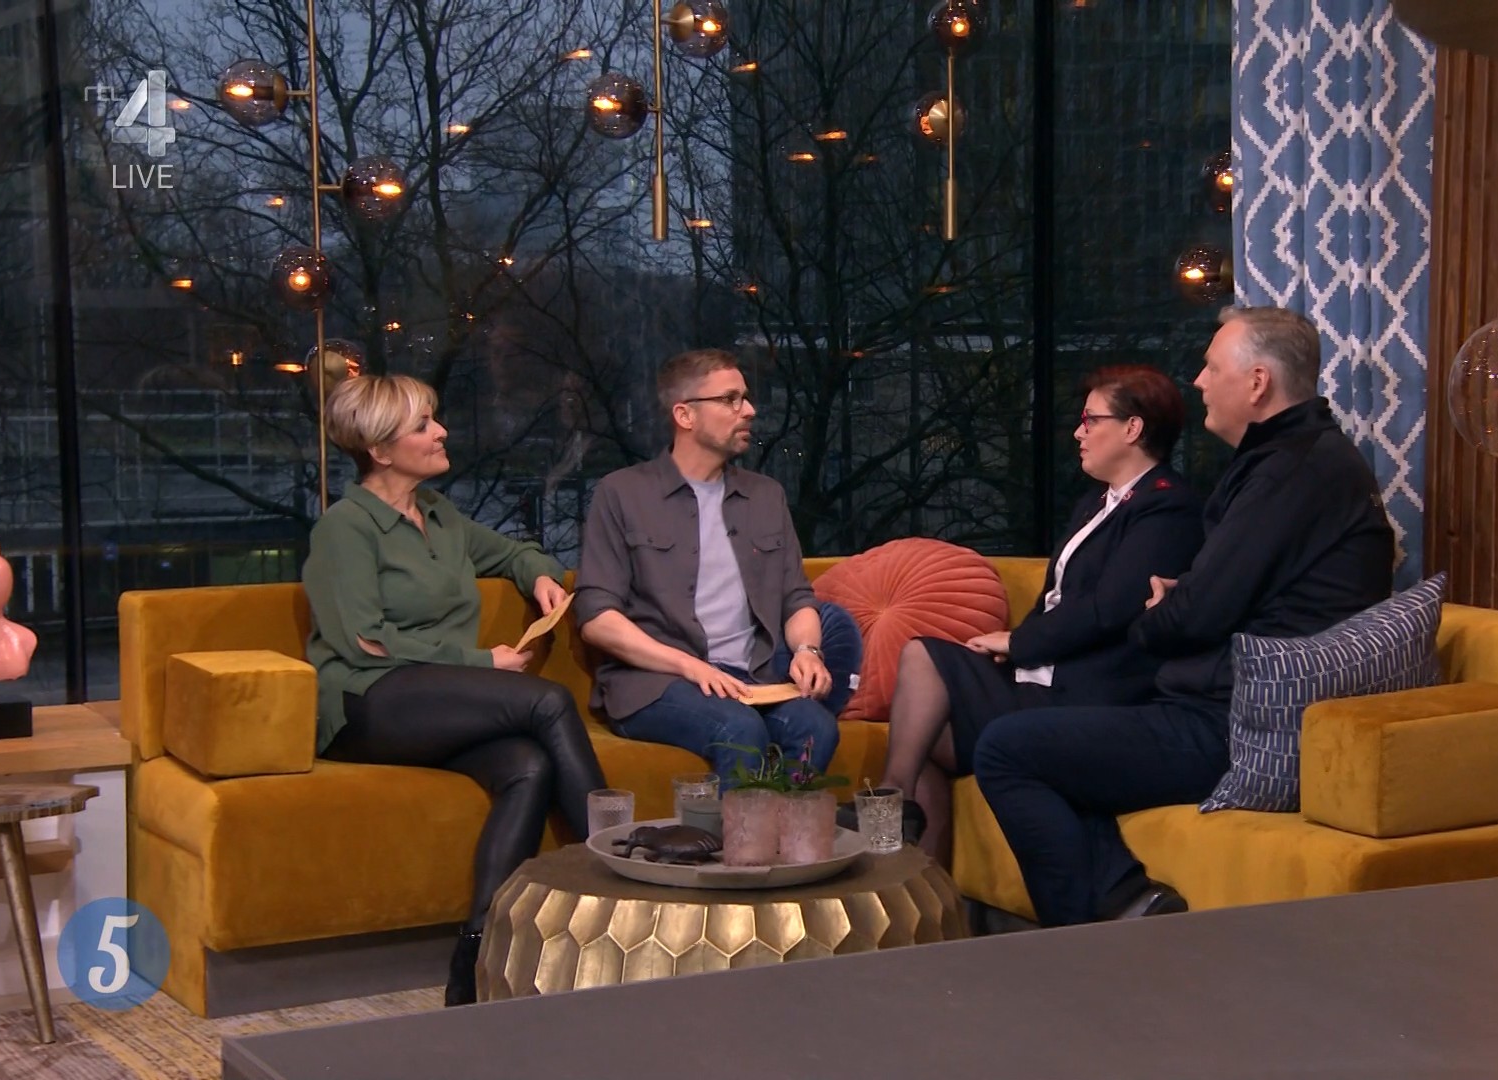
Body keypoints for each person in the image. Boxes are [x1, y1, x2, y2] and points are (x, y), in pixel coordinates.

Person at [974, 306, 1395, 927]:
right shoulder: (1292, 461)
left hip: (1236, 724)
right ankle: (1123, 898)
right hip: (1222, 706)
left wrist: (1167, 608)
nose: (1198, 381)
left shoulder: (1292, 471)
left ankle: (1086, 939)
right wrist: (1186, 596)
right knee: (1041, 737)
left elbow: (1191, 617)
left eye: (1211, 366)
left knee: (1007, 748)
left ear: (1257, 382)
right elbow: (1220, 592)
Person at [301, 374, 607, 1007]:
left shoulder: (439, 515)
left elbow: (515, 553)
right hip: (365, 702)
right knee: (547, 701)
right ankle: (619, 869)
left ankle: (475, 957)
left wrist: (541, 575)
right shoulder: (345, 528)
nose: (441, 432)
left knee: (527, 765)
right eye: (423, 426)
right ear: (380, 450)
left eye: (434, 419)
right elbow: (363, 641)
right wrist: (480, 661)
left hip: (436, 701)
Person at [867, 365, 1204, 862]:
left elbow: (1109, 608)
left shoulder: (1168, 508)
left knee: (923, 696)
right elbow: (1056, 598)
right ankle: (925, 880)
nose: (1078, 433)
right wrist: (1016, 647)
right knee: (921, 713)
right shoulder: (1096, 503)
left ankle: (891, 808)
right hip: (1039, 677)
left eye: (1090, 420)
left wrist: (1018, 642)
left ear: (1133, 428)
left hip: (1090, 694)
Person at [573, 348, 844, 781]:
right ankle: (737, 829)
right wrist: (689, 665)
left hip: (751, 680)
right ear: (685, 415)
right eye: (730, 399)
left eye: (746, 398)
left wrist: (808, 652)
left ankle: (783, 824)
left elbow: (796, 599)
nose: (749, 410)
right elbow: (596, 618)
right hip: (656, 683)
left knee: (817, 728)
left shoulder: (765, 496)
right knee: (739, 730)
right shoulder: (621, 493)